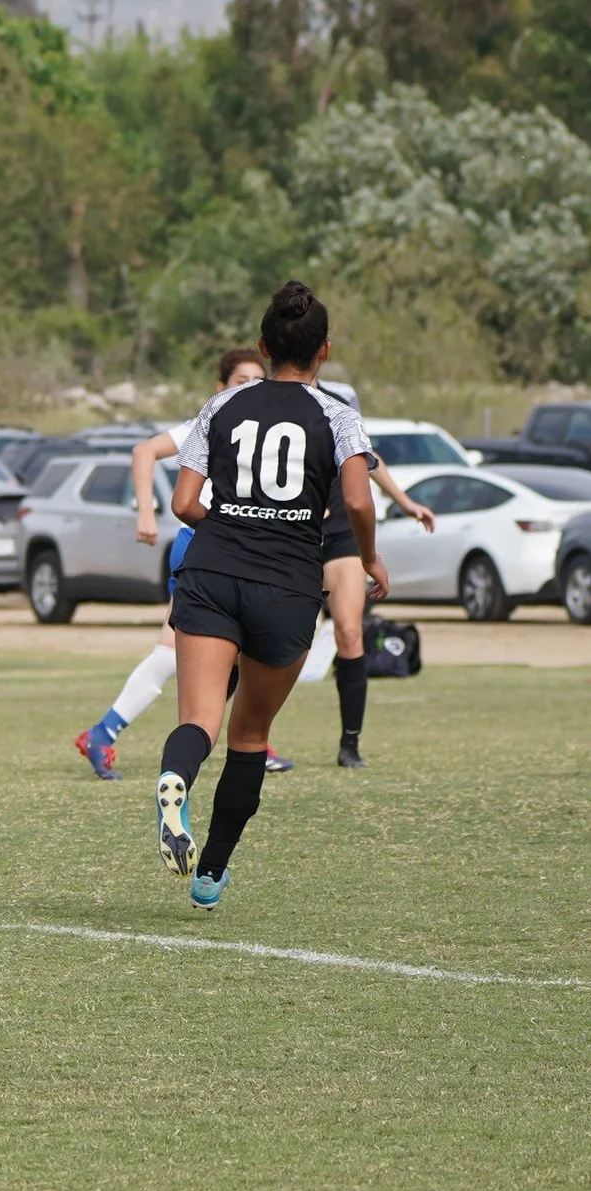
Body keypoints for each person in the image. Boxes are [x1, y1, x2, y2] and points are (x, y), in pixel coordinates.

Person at [155, 281, 384, 909]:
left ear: (263, 346)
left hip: (211, 570)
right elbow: (359, 499)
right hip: (286, 584)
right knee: (251, 734)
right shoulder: (338, 416)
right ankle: (210, 874)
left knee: (198, 720)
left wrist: (233, 528)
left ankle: (174, 778)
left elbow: (183, 503)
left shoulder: (221, 405)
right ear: (324, 350)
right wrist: (368, 558)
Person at [76, 348, 268, 780]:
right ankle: (105, 733)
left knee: (240, 654)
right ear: (220, 388)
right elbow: (144, 451)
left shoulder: (270, 428)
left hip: (239, 551)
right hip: (203, 546)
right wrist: (146, 512)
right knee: (176, 652)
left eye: (259, 381)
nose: (250, 389)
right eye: (241, 382)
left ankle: (243, 737)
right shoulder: (211, 421)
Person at [307, 391, 435, 768]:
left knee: (349, 631)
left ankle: (350, 743)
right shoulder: (280, 411)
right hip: (295, 533)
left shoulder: (339, 409)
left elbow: (368, 458)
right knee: (282, 640)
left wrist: (406, 502)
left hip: (341, 536)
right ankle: (252, 740)